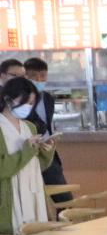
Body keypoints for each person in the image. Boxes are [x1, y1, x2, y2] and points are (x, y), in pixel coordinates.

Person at [0, 77, 55, 235]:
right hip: (9, 197)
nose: (28, 107)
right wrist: (27, 150)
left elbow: (35, 166)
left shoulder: (29, 127)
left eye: (31, 103)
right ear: (8, 99)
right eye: (24, 102)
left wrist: (46, 151)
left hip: (33, 192)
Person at [22, 58, 70, 201]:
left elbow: (47, 125)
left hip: (48, 152)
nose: (39, 80)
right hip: (27, 153)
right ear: (25, 77)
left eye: (42, 76)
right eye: (34, 76)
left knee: (63, 197)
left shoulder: (48, 98)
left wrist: (51, 138)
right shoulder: (19, 100)